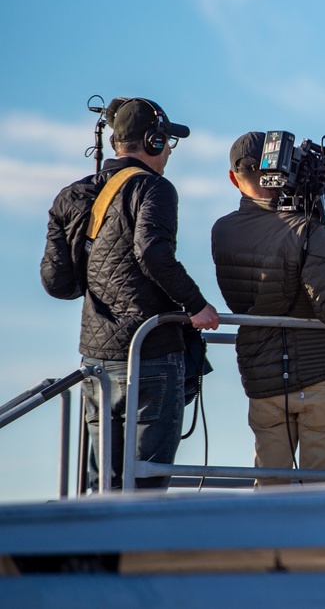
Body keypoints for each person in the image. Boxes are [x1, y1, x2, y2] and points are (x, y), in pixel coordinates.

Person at [211, 131, 325, 485]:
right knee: (319, 496)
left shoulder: (222, 230)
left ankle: (269, 544)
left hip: (263, 379)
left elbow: (245, 299)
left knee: (270, 488)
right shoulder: (307, 230)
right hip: (321, 380)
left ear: (233, 178)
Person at [75, 97, 221, 491]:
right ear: (154, 142)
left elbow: (58, 282)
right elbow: (152, 252)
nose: (170, 150)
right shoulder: (155, 189)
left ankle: (93, 553)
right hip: (150, 355)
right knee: (145, 488)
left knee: (101, 484)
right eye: (168, 141)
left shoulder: (75, 194)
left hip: (95, 358)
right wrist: (197, 305)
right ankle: (136, 553)